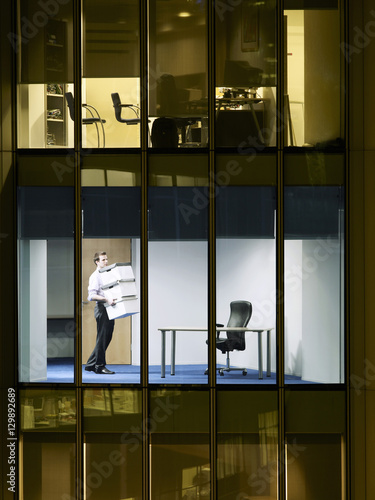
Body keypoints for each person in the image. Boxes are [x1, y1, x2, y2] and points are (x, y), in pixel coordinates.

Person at [85, 251, 116, 374]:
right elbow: (91, 296)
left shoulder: (107, 274)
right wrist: (106, 299)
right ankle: (99, 366)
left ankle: (90, 364)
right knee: (103, 338)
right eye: (103, 260)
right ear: (97, 262)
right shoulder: (95, 276)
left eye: (106, 259)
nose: (106, 261)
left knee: (106, 337)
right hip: (102, 308)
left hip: (109, 308)